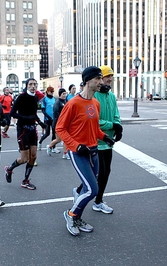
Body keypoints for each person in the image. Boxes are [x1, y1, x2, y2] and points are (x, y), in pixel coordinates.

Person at [56, 66, 115, 236]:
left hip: (93, 151)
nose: (101, 82)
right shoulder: (73, 103)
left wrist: (105, 137)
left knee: (87, 188)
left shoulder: (95, 103)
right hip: (79, 153)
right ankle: (70, 214)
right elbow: (60, 128)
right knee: (92, 190)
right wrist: (75, 146)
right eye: (98, 79)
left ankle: (77, 217)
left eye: (101, 79)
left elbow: (93, 128)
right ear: (88, 81)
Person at [73, 65, 123, 214]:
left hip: (107, 142)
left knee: (105, 172)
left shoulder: (112, 96)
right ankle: (97, 201)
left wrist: (118, 126)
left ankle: (84, 193)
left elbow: (116, 115)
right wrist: (111, 125)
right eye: (105, 76)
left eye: (109, 76)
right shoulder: (93, 96)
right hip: (94, 142)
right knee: (96, 175)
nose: (108, 79)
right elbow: (94, 122)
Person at [4, 78, 47, 190]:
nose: (33, 86)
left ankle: (25, 180)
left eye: (35, 84)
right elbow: (12, 114)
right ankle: (9, 169)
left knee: (33, 156)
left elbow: (33, 114)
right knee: (24, 159)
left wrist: (41, 123)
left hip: (32, 129)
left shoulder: (35, 98)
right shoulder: (21, 97)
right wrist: (25, 118)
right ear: (27, 85)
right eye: (31, 84)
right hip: (23, 130)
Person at [47, 88, 69, 159]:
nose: (65, 95)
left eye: (65, 93)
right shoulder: (57, 103)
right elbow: (56, 115)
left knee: (64, 139)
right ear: (60, 95)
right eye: (63, 94)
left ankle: (65, 153)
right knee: (59, 140)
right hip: (58, 124)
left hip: (65, 124)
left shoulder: (66, 101)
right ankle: (50, 147)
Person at [38, 86, 57, 153]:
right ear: (48, 92)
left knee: (54, 133)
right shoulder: (44, 99)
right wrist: (47, 116)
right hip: (47, 119)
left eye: (53, 92)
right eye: (51, 91)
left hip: (53, 119)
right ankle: (40, 142)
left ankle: (53, 147)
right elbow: (43, 110)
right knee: (47, 133)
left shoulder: (54, 99)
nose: (52, 93)